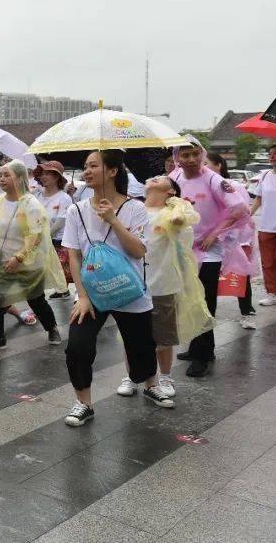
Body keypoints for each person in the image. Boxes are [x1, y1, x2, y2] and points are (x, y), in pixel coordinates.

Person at [62, 150, 172, 427]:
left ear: (112, 171)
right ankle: (83, 403)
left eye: (94, 166)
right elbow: (73, 255)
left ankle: (150, 384)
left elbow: (138, 251)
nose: (87, 171)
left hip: (128, 290)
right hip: (92, 294)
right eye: (85, 166)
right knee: (77, 347)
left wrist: (113, 220)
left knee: (142, 349)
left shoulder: (134, 208)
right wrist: (82, 296)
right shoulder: (76, 210)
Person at [170, 138, 250, 376]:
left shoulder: (215, 180)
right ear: (177, 158)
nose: (192, 160)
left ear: (202, 154)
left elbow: (240, 210)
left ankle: (203, 356)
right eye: (185, 156)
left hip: (208, 251)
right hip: (184, 250)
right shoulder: (174, 180)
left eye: (196, 154)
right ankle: (200, 346)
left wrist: (216, 234)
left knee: (205, 301)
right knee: (189, 299)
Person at [0, 160, 65, 351]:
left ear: (19, 178)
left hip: (28, 265)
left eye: (7, 175)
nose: (2, 179)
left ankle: (52, 328)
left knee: (35, 299)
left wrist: (20, 257)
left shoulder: (31, 204)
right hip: (1, 261)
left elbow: (36, 235)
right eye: (0, 175)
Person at [144, 175, 205, 399]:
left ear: (170, 191)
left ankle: (165, 376)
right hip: (134, 283)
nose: (154, 178)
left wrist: (178, 205)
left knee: (163, 336)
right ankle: (132, 375)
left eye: (161, 178)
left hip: (162, 283)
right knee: (131, 334)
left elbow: (184, 224)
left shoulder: (173, 212)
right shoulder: (133, 208)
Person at [206, 151, 259, 327]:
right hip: (209, 242)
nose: (203, 167)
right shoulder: (201, 186)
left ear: (218, 165)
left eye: (206, 163)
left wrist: (225, 233)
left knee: (239, 273)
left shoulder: (233, 185)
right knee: (208, 280)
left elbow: (241, 213)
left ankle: (247, 312)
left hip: (233, 238)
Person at [252, 144, 276, 307]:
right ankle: (271, 293)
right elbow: (258, 197)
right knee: (267, 262)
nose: (272, 156)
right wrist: (250, 212)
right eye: (270, 153)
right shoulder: (265, 175)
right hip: (266, 225)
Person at [37, 161, 74, 300]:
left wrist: (44, 237)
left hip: (57, 242)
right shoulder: (38, 196)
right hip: (40, 241)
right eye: (42, 173)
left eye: (47, 174)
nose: (43, 176)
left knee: (63, 272)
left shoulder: (64, 198)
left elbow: (60, 221)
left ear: (57, 177)